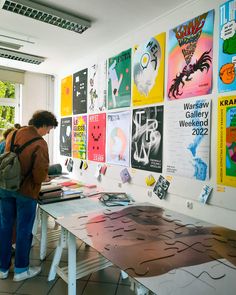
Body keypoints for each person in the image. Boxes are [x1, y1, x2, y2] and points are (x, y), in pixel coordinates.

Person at [0, 110, 58, 281]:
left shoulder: (13, 133)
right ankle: (21, 270)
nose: (48, 132)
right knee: (24, 230)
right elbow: (39, 176)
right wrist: (46, 177)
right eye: (49, 129)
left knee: (5, 228)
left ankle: (2, 269)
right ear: (45, 125)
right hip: (25, 192)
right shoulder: (40, 143)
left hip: (5, 188)